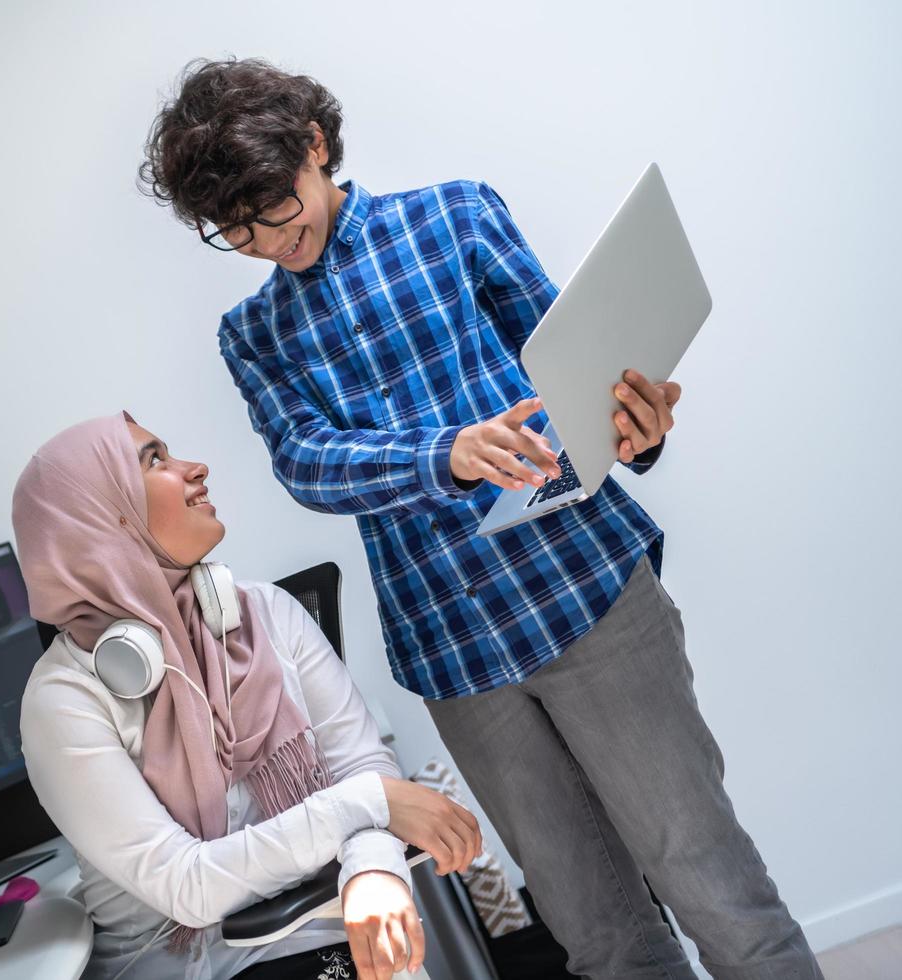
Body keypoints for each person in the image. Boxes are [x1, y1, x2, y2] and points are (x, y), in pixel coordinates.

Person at [138, 58, 821, 979]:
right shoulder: (252, 335)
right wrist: (442, 455)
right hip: (454, 651)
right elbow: (305, 461)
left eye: (277, 205)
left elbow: (583, 376)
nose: (268, 240)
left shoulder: (455, 217)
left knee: (718, 892)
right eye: (237, 229)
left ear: (317, 146)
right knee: (600, 938)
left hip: (586, 593)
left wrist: (636, 426)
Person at [12, 413, 482, 980]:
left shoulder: (265, 612)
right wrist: (370, 803)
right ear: (104, 516)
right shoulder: (63, 700)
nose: (195, 469)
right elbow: (188, 886)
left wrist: (372, 872)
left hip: (312, 923)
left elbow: (361, 765)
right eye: (154, 460)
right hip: (180, 962)